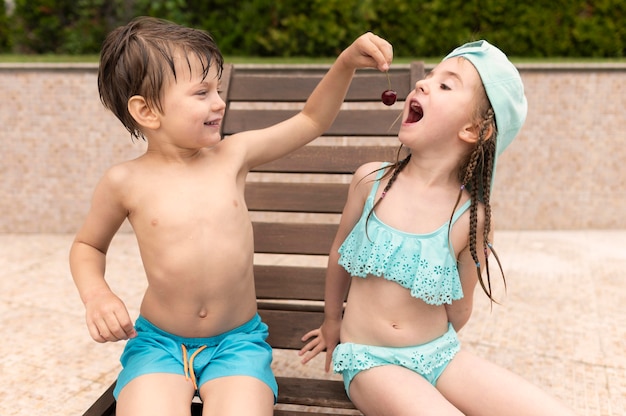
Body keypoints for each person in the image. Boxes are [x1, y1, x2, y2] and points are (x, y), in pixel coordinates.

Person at [69, 16, 393, 416]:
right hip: (159, 345)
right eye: (201, 92)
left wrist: (345, 63)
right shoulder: (124, 181)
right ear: (147, 111)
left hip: (237, 344)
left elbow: (310, 121)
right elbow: (87, 245)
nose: (219, 102)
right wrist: (96, 295)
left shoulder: (232, 156)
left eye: (218, 89)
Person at [299, 40, 576, 415]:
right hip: (371, 360)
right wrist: (333, 321)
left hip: (439, 354)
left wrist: (430, 358)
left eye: (446, 85)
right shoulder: (372, 182)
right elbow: (338, 256)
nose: (423, 84)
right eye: (428, 78)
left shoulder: (470, 218)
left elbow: (459, 309)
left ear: (473, 131)